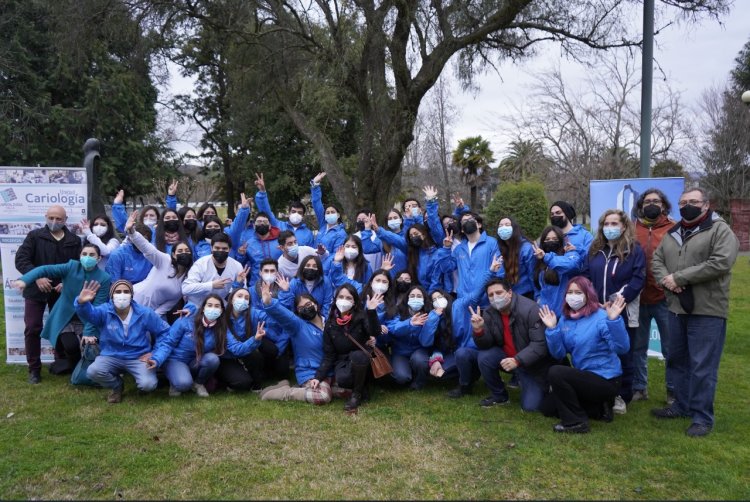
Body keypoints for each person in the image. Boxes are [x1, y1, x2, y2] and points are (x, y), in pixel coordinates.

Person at [651, 187, 739, 437]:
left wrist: (679, 277)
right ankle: (681, 405)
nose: (687, 205)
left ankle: (702, 417)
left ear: (705, 204)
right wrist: (668, 281)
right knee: (677, 360)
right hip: (677, 308)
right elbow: (657, 261)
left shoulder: (719, 229)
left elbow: (720, 262)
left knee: (702, 365)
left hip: (707, 309)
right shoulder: (674, 232)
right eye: (683, 202)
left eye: (692, 201)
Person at [540, 276, 630, 433]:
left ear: (588, 294)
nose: (573, 296)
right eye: (570, 292)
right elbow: (558, 354)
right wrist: (552, 329)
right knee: (547, 407)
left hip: (606, 379)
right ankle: (600, 410)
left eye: (578, 292)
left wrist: (614, 321)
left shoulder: (601, 317)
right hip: (584, 377)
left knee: (556, 372)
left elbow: (622, 348)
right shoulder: (565, 319)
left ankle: (575, 423)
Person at [583, 209, 645, 414]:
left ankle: (622, 395)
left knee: (623, 352)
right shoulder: (594, 250)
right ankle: (598, 390)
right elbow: (585, 277)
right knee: (600, 350)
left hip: (621, 311)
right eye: (606, 224)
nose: (610, 228)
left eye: (614, 224)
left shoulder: (634, 250)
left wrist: (612, 302)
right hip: (596, 310)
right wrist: (592, 300)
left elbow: (637, 280)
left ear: (624, 226)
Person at [14, 244, 111, 375]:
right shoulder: (71, 266)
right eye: (84, 254)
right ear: (80, 256)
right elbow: (44, 269)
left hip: (87, 318)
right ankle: (76, 371)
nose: (87, 257)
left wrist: (88, 332)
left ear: (99, 258)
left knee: (89, 346)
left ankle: (87, 369)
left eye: (92, 255)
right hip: (65, 317)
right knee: (70, 345)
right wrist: (25, 280)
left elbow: (98, 307)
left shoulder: (104, 278)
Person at [15, 205, 82, 384]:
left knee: (60, 328)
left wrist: (66, 283)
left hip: (61, 291)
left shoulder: (74, 240)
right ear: (45, 217)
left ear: (65, 220)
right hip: (36, 290)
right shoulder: (35, 236)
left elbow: (78, 266)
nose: (54, 221)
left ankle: (61, 363)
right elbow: (21, 259)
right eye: (51, 218)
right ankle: (34, 369)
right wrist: (37, 278)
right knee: (32, 327)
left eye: (58, 219)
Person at [74, 279, 171, 403]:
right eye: (118, 291)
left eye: (126, 291)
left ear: (131, 295)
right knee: (93, 371)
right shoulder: (104, 311)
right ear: (112, 295)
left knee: (148, 384)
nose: (122, 295)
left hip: (138, 357)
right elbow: (90, 314)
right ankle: (116, 386)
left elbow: (166, 333)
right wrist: (81, 303)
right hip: (111, 355)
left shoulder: (144, 313)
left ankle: (141, 387)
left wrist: (155, 354)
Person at [471, 278, 555, 411]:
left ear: (509, 293)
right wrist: (479, 330)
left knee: (530, 407)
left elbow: (540, 345)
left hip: (532, 364)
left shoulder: (531, 309)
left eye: (499, 293)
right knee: (485, 357)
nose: (495, 297)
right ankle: (499, 395)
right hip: (507, 357)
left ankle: (547, 385)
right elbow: (485, 345)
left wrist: (517, 360)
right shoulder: (489, 312)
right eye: (491, 295)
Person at [632, 188, 676, 403]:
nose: (652, 204)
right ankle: (639, 387)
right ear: (640, 206)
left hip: (665, 298)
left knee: (670, 347)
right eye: (647, 201)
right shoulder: (632, 229)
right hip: (638, 298)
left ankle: (673, 390)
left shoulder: (674, 228)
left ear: (663, 205)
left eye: (656, 201)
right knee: (638, 346)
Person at [259, 283, 332, 405]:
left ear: (316, 305)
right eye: (300, 308)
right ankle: (286, 392)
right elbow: (285, 316)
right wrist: (269, 302)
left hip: (329, 372)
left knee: (344, 390)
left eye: (308, 304)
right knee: (323, 396)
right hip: (310, 373)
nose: (306, 308)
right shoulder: (298, 325)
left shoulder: (329, 323)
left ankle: (284, 385)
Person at [312, 284, 382, 411]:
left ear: (354, 302)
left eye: (349, 298)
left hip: (363, 358)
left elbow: (375, 332)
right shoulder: (330, 324)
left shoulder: (361, 317)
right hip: (343, 360)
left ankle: (356, 394)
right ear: (336, 299)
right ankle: (363, 386)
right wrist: (318, 376)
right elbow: (329, 355)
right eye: (341, 296)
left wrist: (371, 311)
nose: (344, 300)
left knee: (358, 356)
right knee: (343, 379)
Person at [147, 294, 227, 397]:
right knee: (183, 384)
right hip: (176, 359)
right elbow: (168, 343)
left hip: (195, 361)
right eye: (209, 305)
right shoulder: (185, 320)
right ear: (203, 308)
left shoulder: (220, 328)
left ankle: (198, 383)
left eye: (217, 306)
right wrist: (156, 358)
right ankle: (175, 380)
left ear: (221, 310)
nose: (213, 309)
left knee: (213, 359)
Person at [124, 211, 194, 318]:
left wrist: (150, 318)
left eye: (186, 251)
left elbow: (165, 307)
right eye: (180, 251)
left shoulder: (187, 280)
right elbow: (147, 248)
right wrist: (132, 232)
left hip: (149, 312)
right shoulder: (165, 260)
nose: (183, 253)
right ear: (173, 255)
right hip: (132, 299)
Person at [385, 284, 440, 390]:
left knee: (419, 360)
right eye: (412, 296)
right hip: (400, 352)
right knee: (401, 377)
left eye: (419, 296)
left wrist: (429, 323)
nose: (416, 298)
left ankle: (419, 381)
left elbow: (426, 342)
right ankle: (408, 372)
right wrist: (409, 323)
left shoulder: (429, 314)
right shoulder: (398, 311)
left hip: (419, 350)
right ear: (407, 298)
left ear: (424, 299)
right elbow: (393, 329)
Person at [218, 288, 270, 391]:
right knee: (243, 383)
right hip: (226, 357)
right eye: (240, 296)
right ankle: (221, 379)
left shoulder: (251, 313)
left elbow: (272, 317)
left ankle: (257, 384)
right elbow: (236, 349)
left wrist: (269, 304)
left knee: (258, 355)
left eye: (247, 298)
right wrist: (254, 339)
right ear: (232, 299)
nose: (243, 300)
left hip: (243, 352)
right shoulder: (221, 317)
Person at [182, 232, 245, 306]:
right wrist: (211, 285)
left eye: (224, 249)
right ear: (211, 248)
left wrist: (238, 284)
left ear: (230, 250)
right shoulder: (200, 264)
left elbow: (242, 292)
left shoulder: (237, 266)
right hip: (198, 307)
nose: (220, 251)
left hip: (222, 308)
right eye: (217, 248)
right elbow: (186, 289)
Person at [253, 172, 314, 247]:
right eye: (293, 211)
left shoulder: (308, 234)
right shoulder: (278, 225)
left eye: (299, 212)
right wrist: (262, 192)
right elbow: (266, 211)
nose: (296, 214)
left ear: (303, 216)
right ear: (289, 213)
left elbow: (311, 253)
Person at [532, 226, 581, 316]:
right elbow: (537, 285)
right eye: (547, 239)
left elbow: (571, 265)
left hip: (564, 314)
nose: (551, 241)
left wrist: (546, 257)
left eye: (555, 239)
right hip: (545, 314)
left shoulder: (569, 254)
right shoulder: (540, 259)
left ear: (561, 240)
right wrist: (539, 301)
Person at [496, 217, 535, 299]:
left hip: (526, 294)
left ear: (514, 228)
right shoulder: (499, 248)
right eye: (500, 225)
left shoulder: (526, 248)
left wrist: (537, 296)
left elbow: (533, 274)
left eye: (507, 225)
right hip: (507, 295)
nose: (503, 227)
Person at [548, 201, 593, 270]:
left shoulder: (585, 235)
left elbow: (591, 257)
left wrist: (577, 250)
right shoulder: (549, 236)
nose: (554, 216)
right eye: (552, 214)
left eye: (558, 213)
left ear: (567, 214)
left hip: (576, 278)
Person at [310, 172, 347, 252]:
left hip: (326, 264)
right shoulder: (323, 225)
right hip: (314, 262)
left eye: (332, 212)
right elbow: (316, 203)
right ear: (325, 216)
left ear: (338, 215)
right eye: (327, 213)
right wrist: (315, 184)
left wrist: (323, 257)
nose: (330, 214)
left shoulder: (341, 234)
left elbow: (336, 256)